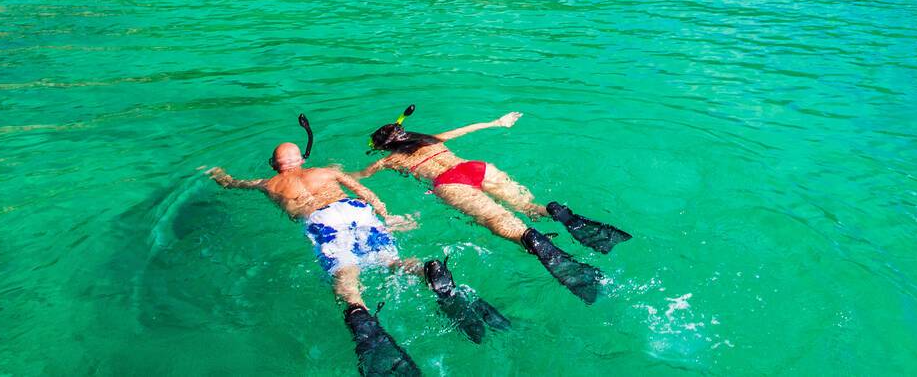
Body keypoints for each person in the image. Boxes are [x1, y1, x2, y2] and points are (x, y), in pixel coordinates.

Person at [210, 136, 510, 377]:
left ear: (274, 165)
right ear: (302, 158)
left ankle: (358, 311)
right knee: (391, 262)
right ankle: (425, 272)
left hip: (322, 222)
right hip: (355, 211)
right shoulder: (327, 171)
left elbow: (232, 182)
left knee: (345, 273)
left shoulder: (268, 183)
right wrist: (387, 215)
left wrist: (217, 173)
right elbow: (363, 192)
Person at [360, 106, 631, 304]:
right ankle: (555, 213)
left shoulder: (389, 161)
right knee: (528, 207)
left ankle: (532, 240)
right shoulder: (431, 139)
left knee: (500, 222)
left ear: (385, 147)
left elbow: (359, 178)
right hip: (474, 168)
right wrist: (498, 122)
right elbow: (466, 129)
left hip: (449, 183)